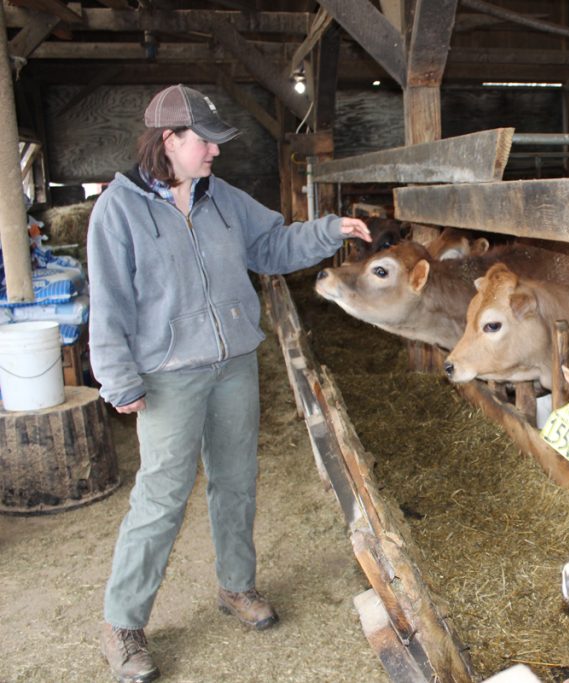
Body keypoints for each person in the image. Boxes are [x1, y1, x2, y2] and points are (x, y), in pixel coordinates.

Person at [87, 84, 371, 683]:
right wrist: (116, 377)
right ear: (171, 141)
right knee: (161, 497)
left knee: (237, 481)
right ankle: (123, 623)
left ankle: (236, 586)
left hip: (234, 364)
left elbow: (270, 246)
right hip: (167, 375)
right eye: (206, 143)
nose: (215, 153)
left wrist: (327, 230)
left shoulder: (223, 198)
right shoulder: (119, 209)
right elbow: (108, 302)